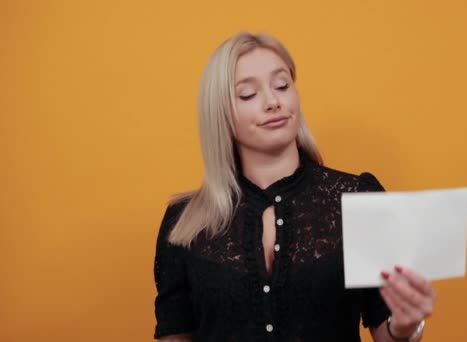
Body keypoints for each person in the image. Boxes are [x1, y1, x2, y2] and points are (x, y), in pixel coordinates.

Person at [153, 31, 436, 342]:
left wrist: (407, 327)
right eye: (248, 94)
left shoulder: (358, 199)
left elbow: (387, 333)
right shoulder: (184, 223)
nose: (273, 102)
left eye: (282, 85)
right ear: (219, 114)